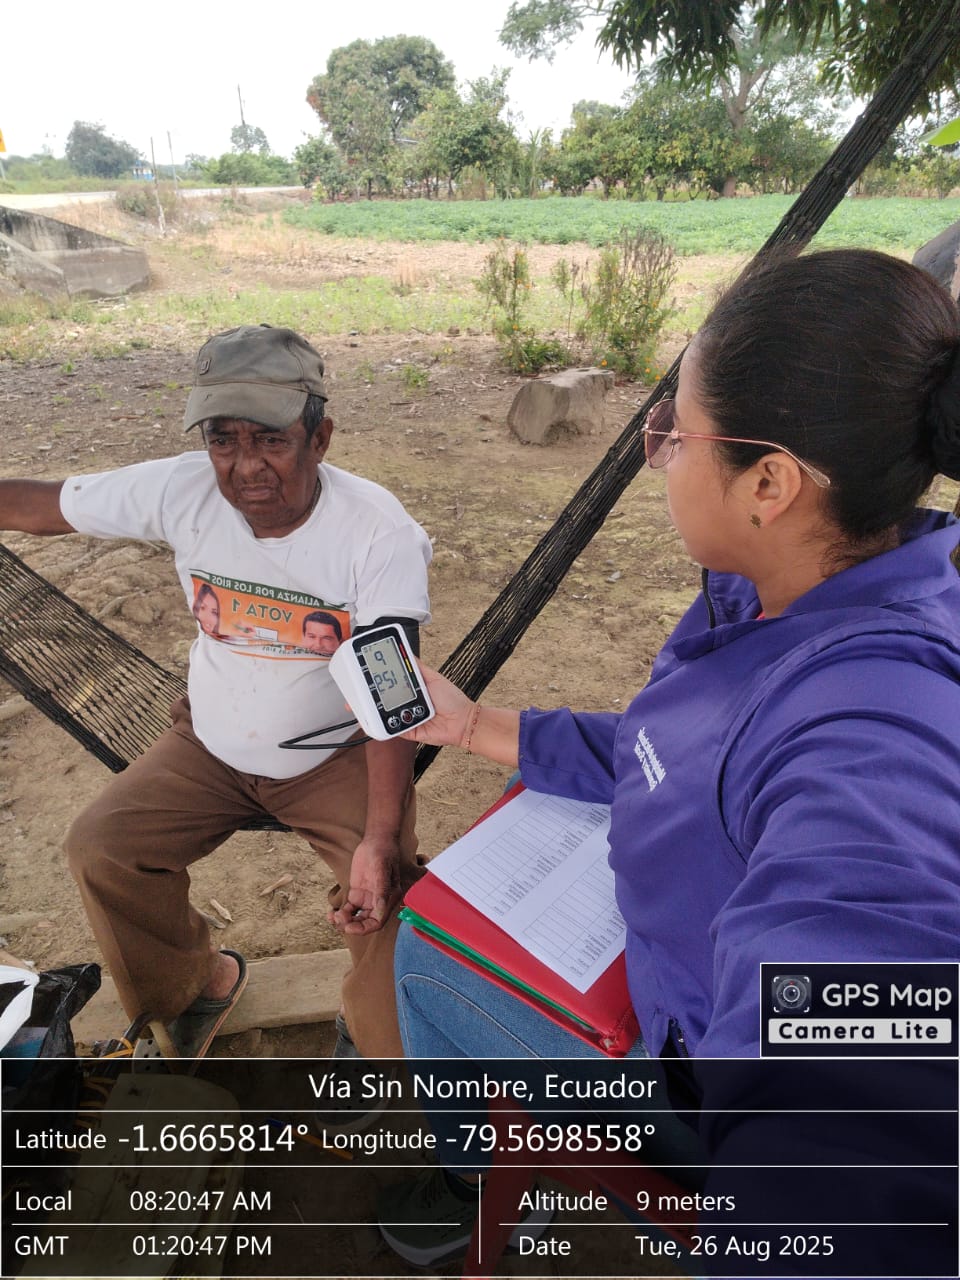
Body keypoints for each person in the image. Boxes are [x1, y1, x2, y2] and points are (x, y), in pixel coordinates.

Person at [379, 249, 960, 1267]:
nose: (659, 455)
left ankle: (474, 1180)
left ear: (770, 482)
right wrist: (475, 728)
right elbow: (678, 752)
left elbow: (854, 1103)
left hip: (680, 1067)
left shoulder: (869, 722)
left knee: (421, 955)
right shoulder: (787, 589)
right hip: (683, 941)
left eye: (677, 434)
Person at [0, 324, 431, 1060]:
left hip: (336, 755)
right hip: (208, 743)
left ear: (319, 438)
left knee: (388, 896)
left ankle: (371, 1033)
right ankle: (196, 985)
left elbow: (393, 700)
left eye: (270, 440)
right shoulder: (185, 489)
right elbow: (45, 506)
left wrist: (381, 838)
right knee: (102, 849)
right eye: (222, 439)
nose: (245, 466)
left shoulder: (376, 532)